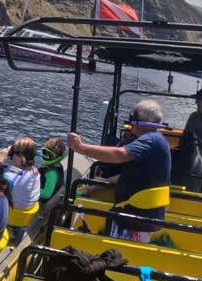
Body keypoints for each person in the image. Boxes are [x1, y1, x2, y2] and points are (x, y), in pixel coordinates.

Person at [67, 99, 171, 242]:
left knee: (115, 253)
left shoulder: (151, 140)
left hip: (135, 220)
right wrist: (91, 188)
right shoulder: (156, 140)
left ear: (142, 121)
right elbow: (126, 176)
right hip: (137, 216)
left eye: (133, 117)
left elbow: (119, 155)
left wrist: (80, 148)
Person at [0, 137, 41, 210]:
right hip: (29, 206)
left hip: (15, 211)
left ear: (21, 156)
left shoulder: (9, 179)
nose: (11, 156)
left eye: (13, 153)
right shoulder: (35, 171)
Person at [38, 137, 67, 202]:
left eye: (49, 155)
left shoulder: (51, 173)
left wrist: (29, 189)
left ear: (58, 157)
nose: (45, 156)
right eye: (44, 152)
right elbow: (63, 181)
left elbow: (46, 194)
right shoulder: (58, 167)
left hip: (40, 202)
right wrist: (79, 192)